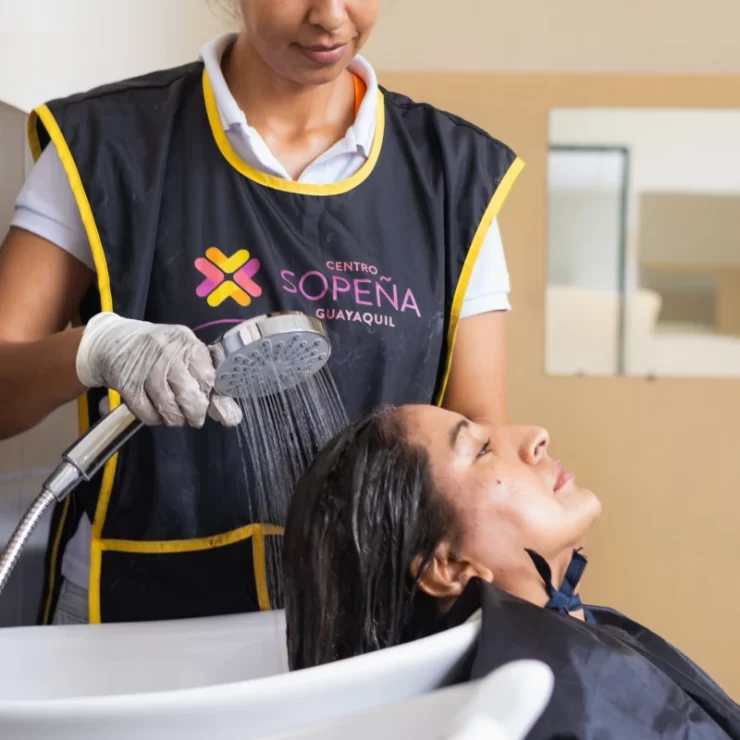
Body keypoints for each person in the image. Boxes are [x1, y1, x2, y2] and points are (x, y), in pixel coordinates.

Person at [0, 0, 523, 626]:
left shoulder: (450, 176)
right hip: (135, 610)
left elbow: (480, 432)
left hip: (362, 617)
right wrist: (93, 349)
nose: (331, 17)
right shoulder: (109, 145)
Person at [283, 404, 740, 739]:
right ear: (448, 566)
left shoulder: (574, 651)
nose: (536, 436)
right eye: (482, 449)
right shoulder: (547, 706)